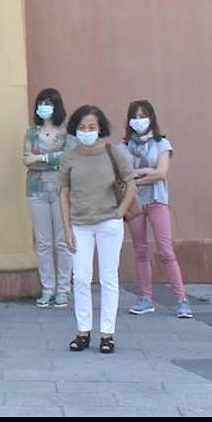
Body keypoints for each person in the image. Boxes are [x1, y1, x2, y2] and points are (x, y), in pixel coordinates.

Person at [60, 105, 136, 355]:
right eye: (82, 127)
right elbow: (64, 192)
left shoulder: (113, 153)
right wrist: (67, 227)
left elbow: (130, 183)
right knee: (80, 278)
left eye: (92, 127)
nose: (87, 131)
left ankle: (107, 334)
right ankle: (83, 331)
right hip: (80, 224)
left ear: (100, 128)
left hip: (108, 223)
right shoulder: (69, 157)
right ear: (75, 129)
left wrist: (120, 212)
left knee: (108, 278)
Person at [122, 99, 191, 320]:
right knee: (140, 250)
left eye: (143, 115)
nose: (139, 120)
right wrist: (145, 173)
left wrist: (137, 177)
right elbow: (122, 176)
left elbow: (161, 173)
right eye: (135, 116)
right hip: (134, 203)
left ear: (151, 118)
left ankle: (182, 300)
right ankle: (145, 298)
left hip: (157, 199)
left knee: (165, 250)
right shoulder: (123, 147)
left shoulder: (162, 143)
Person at [22, 88, 75, 309]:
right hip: (36, 190)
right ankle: (47, 288)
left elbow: (68, 157)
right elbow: (26, 160)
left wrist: (41, 157)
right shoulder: (31, 133)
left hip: (62, 190)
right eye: (41, 103)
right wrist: (48, 159)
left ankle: (63, 289)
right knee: (43, 242)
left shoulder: (66, 133)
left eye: (49, 103)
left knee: (63, 241)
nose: (44, 107)